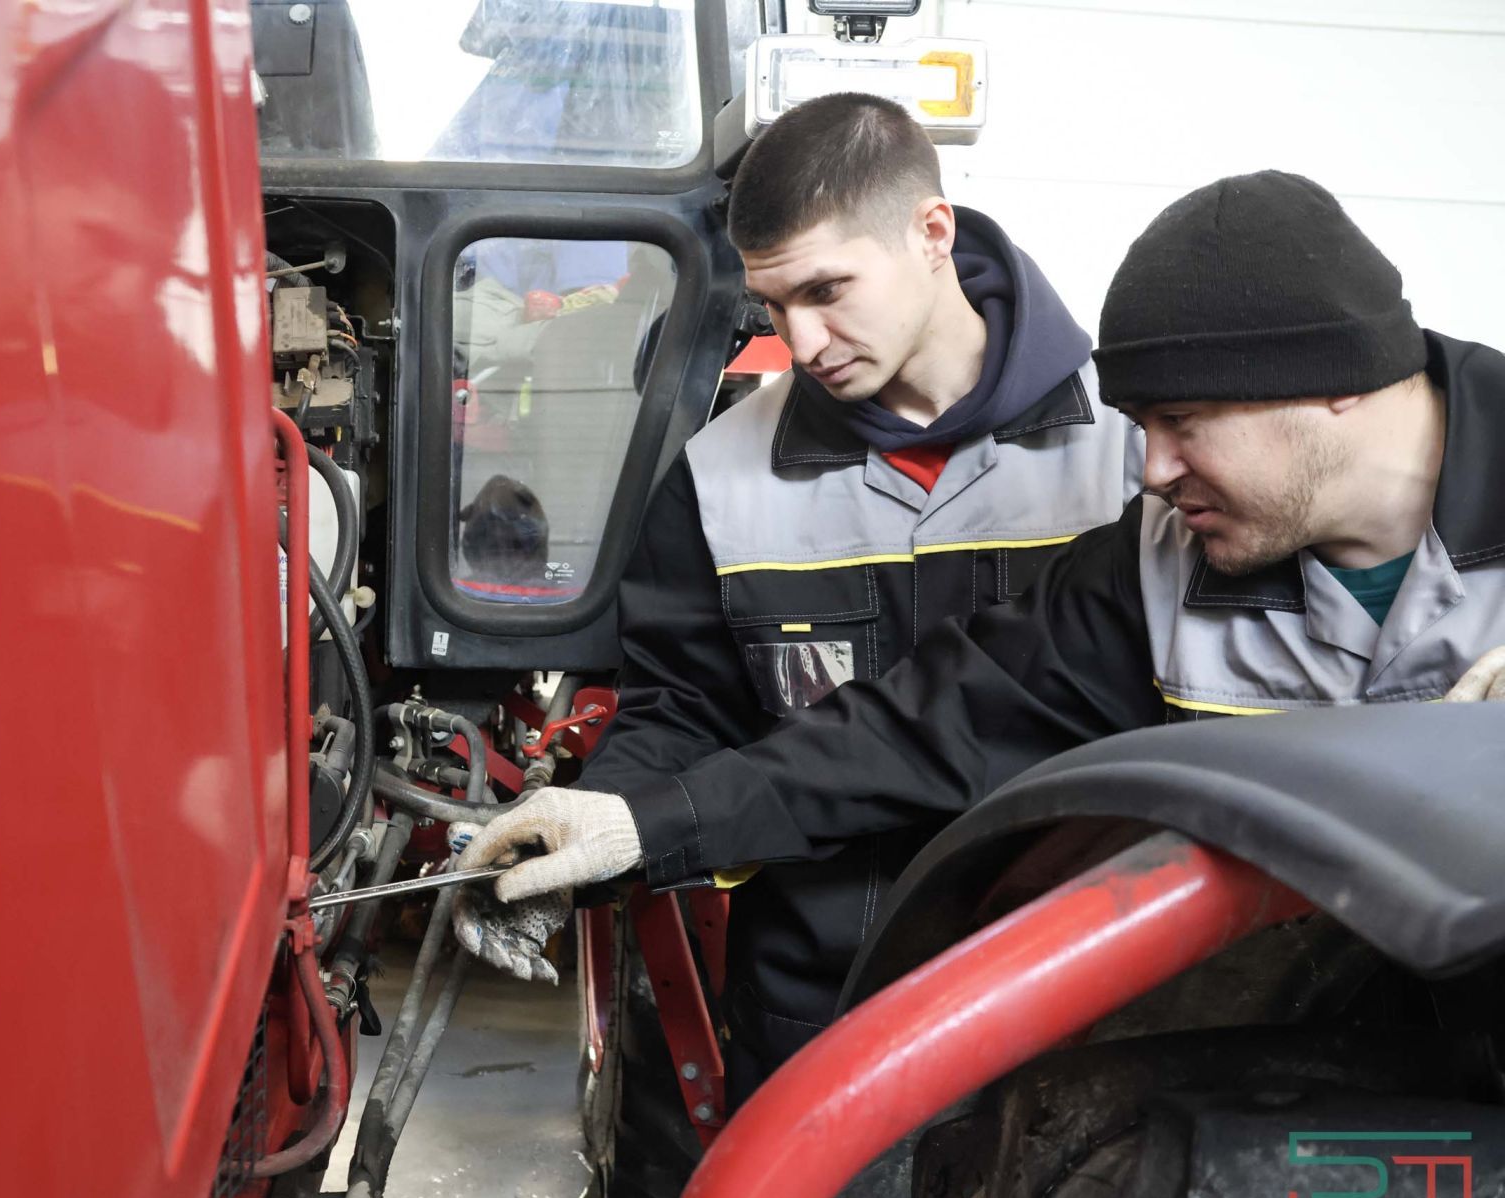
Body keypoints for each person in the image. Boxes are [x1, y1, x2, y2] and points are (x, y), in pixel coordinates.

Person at [454, 169, 1505, 992]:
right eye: (1143, 427)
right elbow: (913, 731)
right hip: (1266, 1072)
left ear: (1330, 382)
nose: (1151, 471)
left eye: (1183, 423)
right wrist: (638, 825)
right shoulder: (1153, 565)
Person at [453, 93, 1144, 1101]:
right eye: (775, 305)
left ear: (932, 233)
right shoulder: (722, 476)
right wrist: (594, 828)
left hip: (1084, 990)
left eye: (827, 290)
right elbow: (683, 709)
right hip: (820, 1005)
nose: (804, 340)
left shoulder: (1135, 450)